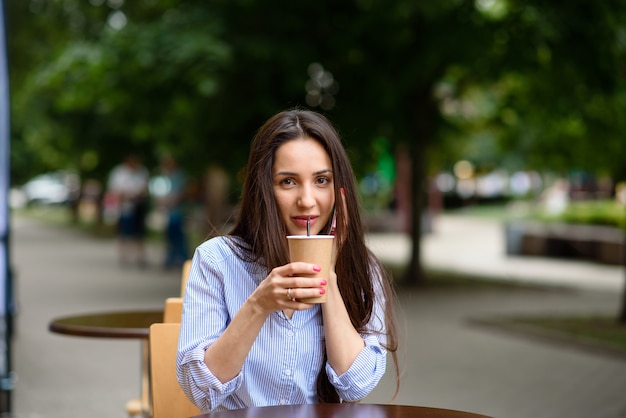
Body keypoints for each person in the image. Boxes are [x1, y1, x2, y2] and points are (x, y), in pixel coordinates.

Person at [177, 108, 399, 412]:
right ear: (264, 189)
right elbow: (201, 391)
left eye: (321, 180)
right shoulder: (217, 260)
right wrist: (259, 304)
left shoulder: (362, 267)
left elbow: (358, 385)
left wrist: (329, 279)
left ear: (339, 190)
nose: (307, 200)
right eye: (288, 182)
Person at [107, 153, 150, 267]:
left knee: (139, 233)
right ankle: (123, 256)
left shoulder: (142, 172)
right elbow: (114, 191)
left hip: (138, 205)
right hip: (124, 207)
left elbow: (145, 189)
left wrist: (139, 195)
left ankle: (139, 257)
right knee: (123, 232)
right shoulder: (119, 173)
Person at [157, 154, 189, 269]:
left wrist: (172, 201)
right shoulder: (167, 177)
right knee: (170, 236)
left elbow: (182, 194)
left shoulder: (179, 176)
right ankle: (172, 259)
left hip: (177, 212)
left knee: (178, 237)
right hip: (170, 212)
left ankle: (181, 259)